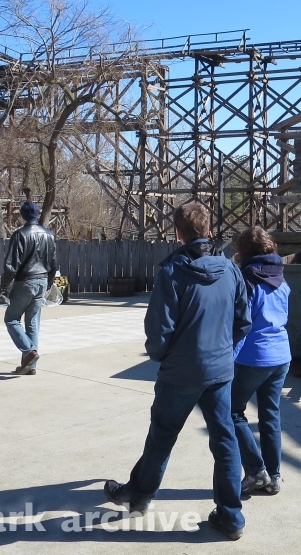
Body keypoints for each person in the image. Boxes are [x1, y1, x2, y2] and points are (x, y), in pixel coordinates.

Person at [103, 202, 251, 540]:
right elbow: (244, 321)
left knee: (162, 436)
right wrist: (223, 350)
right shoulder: (230, 270)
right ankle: (231, 516)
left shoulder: (171, 272)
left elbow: (159, 332)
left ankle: (140, 496)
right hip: (219, 371)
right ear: (209, 230)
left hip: (181, 372)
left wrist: (163, 356)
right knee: (225, 441)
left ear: (178, 233)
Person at [230, 226, 292, 496]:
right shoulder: (280, 278)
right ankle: (274, 476)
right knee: (270, 415)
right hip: (281, 355)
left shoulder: (247, 280)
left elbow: (241, 325)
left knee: (230, 411)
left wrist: (228, 358)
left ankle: (256, 471)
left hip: (254, 356)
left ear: (243, 251)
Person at [0, 201, 58, 375]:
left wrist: (3, 286)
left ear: (23, 216)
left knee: (11, 319)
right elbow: (54, 263)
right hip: (42, 282)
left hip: (25, 282)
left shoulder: (20, 235)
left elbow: (11, 266)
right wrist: (48, 283)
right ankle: (30, 367)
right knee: (32, 323)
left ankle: (30, 351)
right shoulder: (49, 235)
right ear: (38, 214)